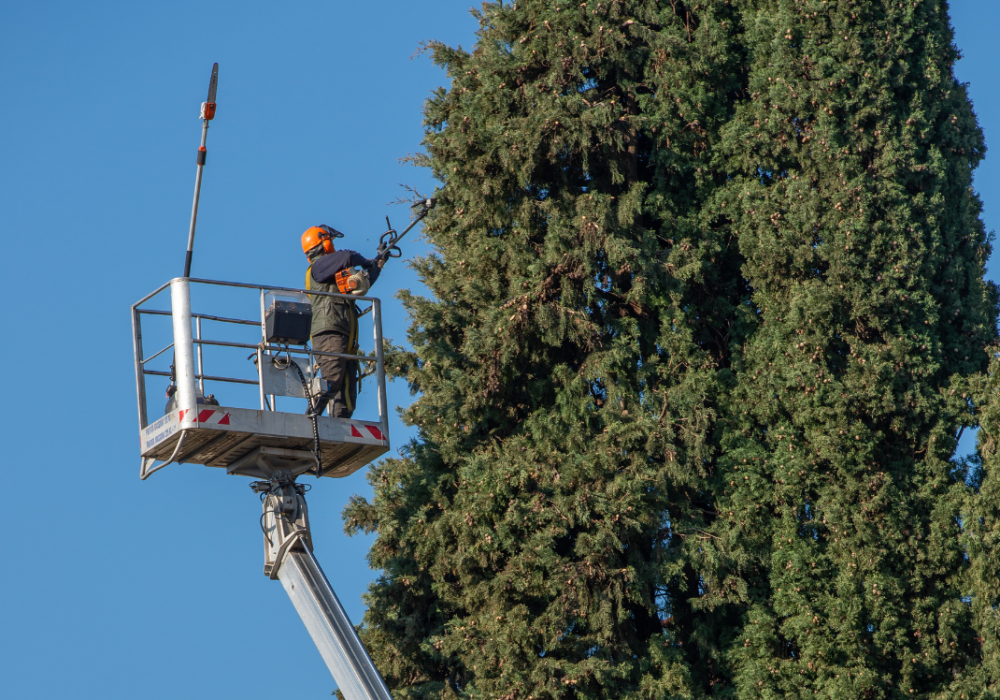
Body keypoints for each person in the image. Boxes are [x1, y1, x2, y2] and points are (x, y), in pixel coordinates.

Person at [301, 225, 384, 418]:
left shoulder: (332, 272)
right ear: (323, 243)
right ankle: (309, 419)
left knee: (346, 396)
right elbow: (348, 256)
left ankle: (339, 426)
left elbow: (363, 283)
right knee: (331, 380)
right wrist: (366, 262)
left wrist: (378, 264)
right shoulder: (319, 266)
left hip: (344, 337)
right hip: (330, 333)